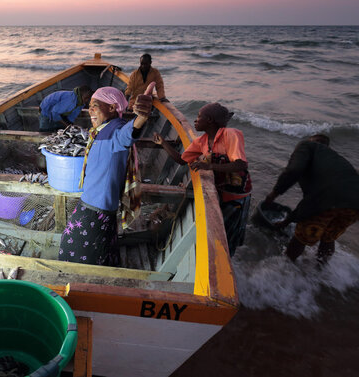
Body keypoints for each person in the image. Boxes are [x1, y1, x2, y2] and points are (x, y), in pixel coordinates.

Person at [57, 84, 155, 266]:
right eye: (90, 105)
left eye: (95, 105)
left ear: (111, 108)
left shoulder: (115, 130)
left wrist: (141, 117)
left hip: (95, 210)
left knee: (71, 252)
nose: (90, 110)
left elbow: (127, 135)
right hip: (98, 207)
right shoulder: (103, 130)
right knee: (101, 249)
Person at [154, 103, 252, 256]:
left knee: (231, 235)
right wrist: (163, 143)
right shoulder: (202, 141)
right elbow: (181, 160)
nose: (195, 120)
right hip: (220, 192)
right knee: (222, 230)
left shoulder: (231, 134)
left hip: (237, 197)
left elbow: (240, 164)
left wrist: (208, 166)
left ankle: (227, 266)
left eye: (199, 117)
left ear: (210, 120)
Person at [265, 134, 359, 264]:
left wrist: (273, 194)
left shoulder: (307, 145)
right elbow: (310, 202)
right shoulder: (334, 159)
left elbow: (294, 171)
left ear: (311, 141)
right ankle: (321, 272)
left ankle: (285, 268)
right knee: (328, 237)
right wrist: (286, 222)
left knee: (301, 238)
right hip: (355, 205)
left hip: (328, 199)